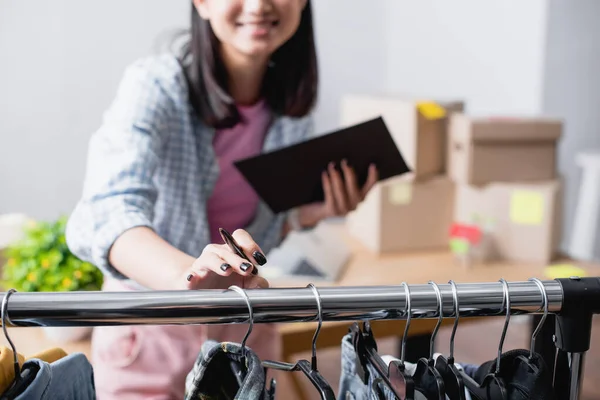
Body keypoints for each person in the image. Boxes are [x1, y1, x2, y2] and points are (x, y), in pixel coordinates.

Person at [66, 0, 378, 398]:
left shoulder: (292, 112)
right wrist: (188, 278)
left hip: (244, 326)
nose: (259, 5)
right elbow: (106, 212)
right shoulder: (155, 84)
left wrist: (306, 214)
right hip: (150, 331)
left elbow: (254, 234)